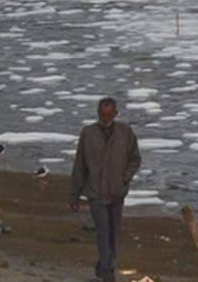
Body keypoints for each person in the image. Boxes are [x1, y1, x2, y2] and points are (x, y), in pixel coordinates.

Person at [70, 97, 142, 282]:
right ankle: (108, 270)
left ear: (115, 113)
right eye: (102, 114)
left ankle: (104, 266)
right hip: (96, 192)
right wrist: (74, 196)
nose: (105, 117)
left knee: (113, 232)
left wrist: (125, 177)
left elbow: (135, 159)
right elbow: (79, 166)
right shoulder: (88, 133)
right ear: (98, 113)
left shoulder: (125, 132)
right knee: (103, 230)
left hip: (117, 191)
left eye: (109, 114)